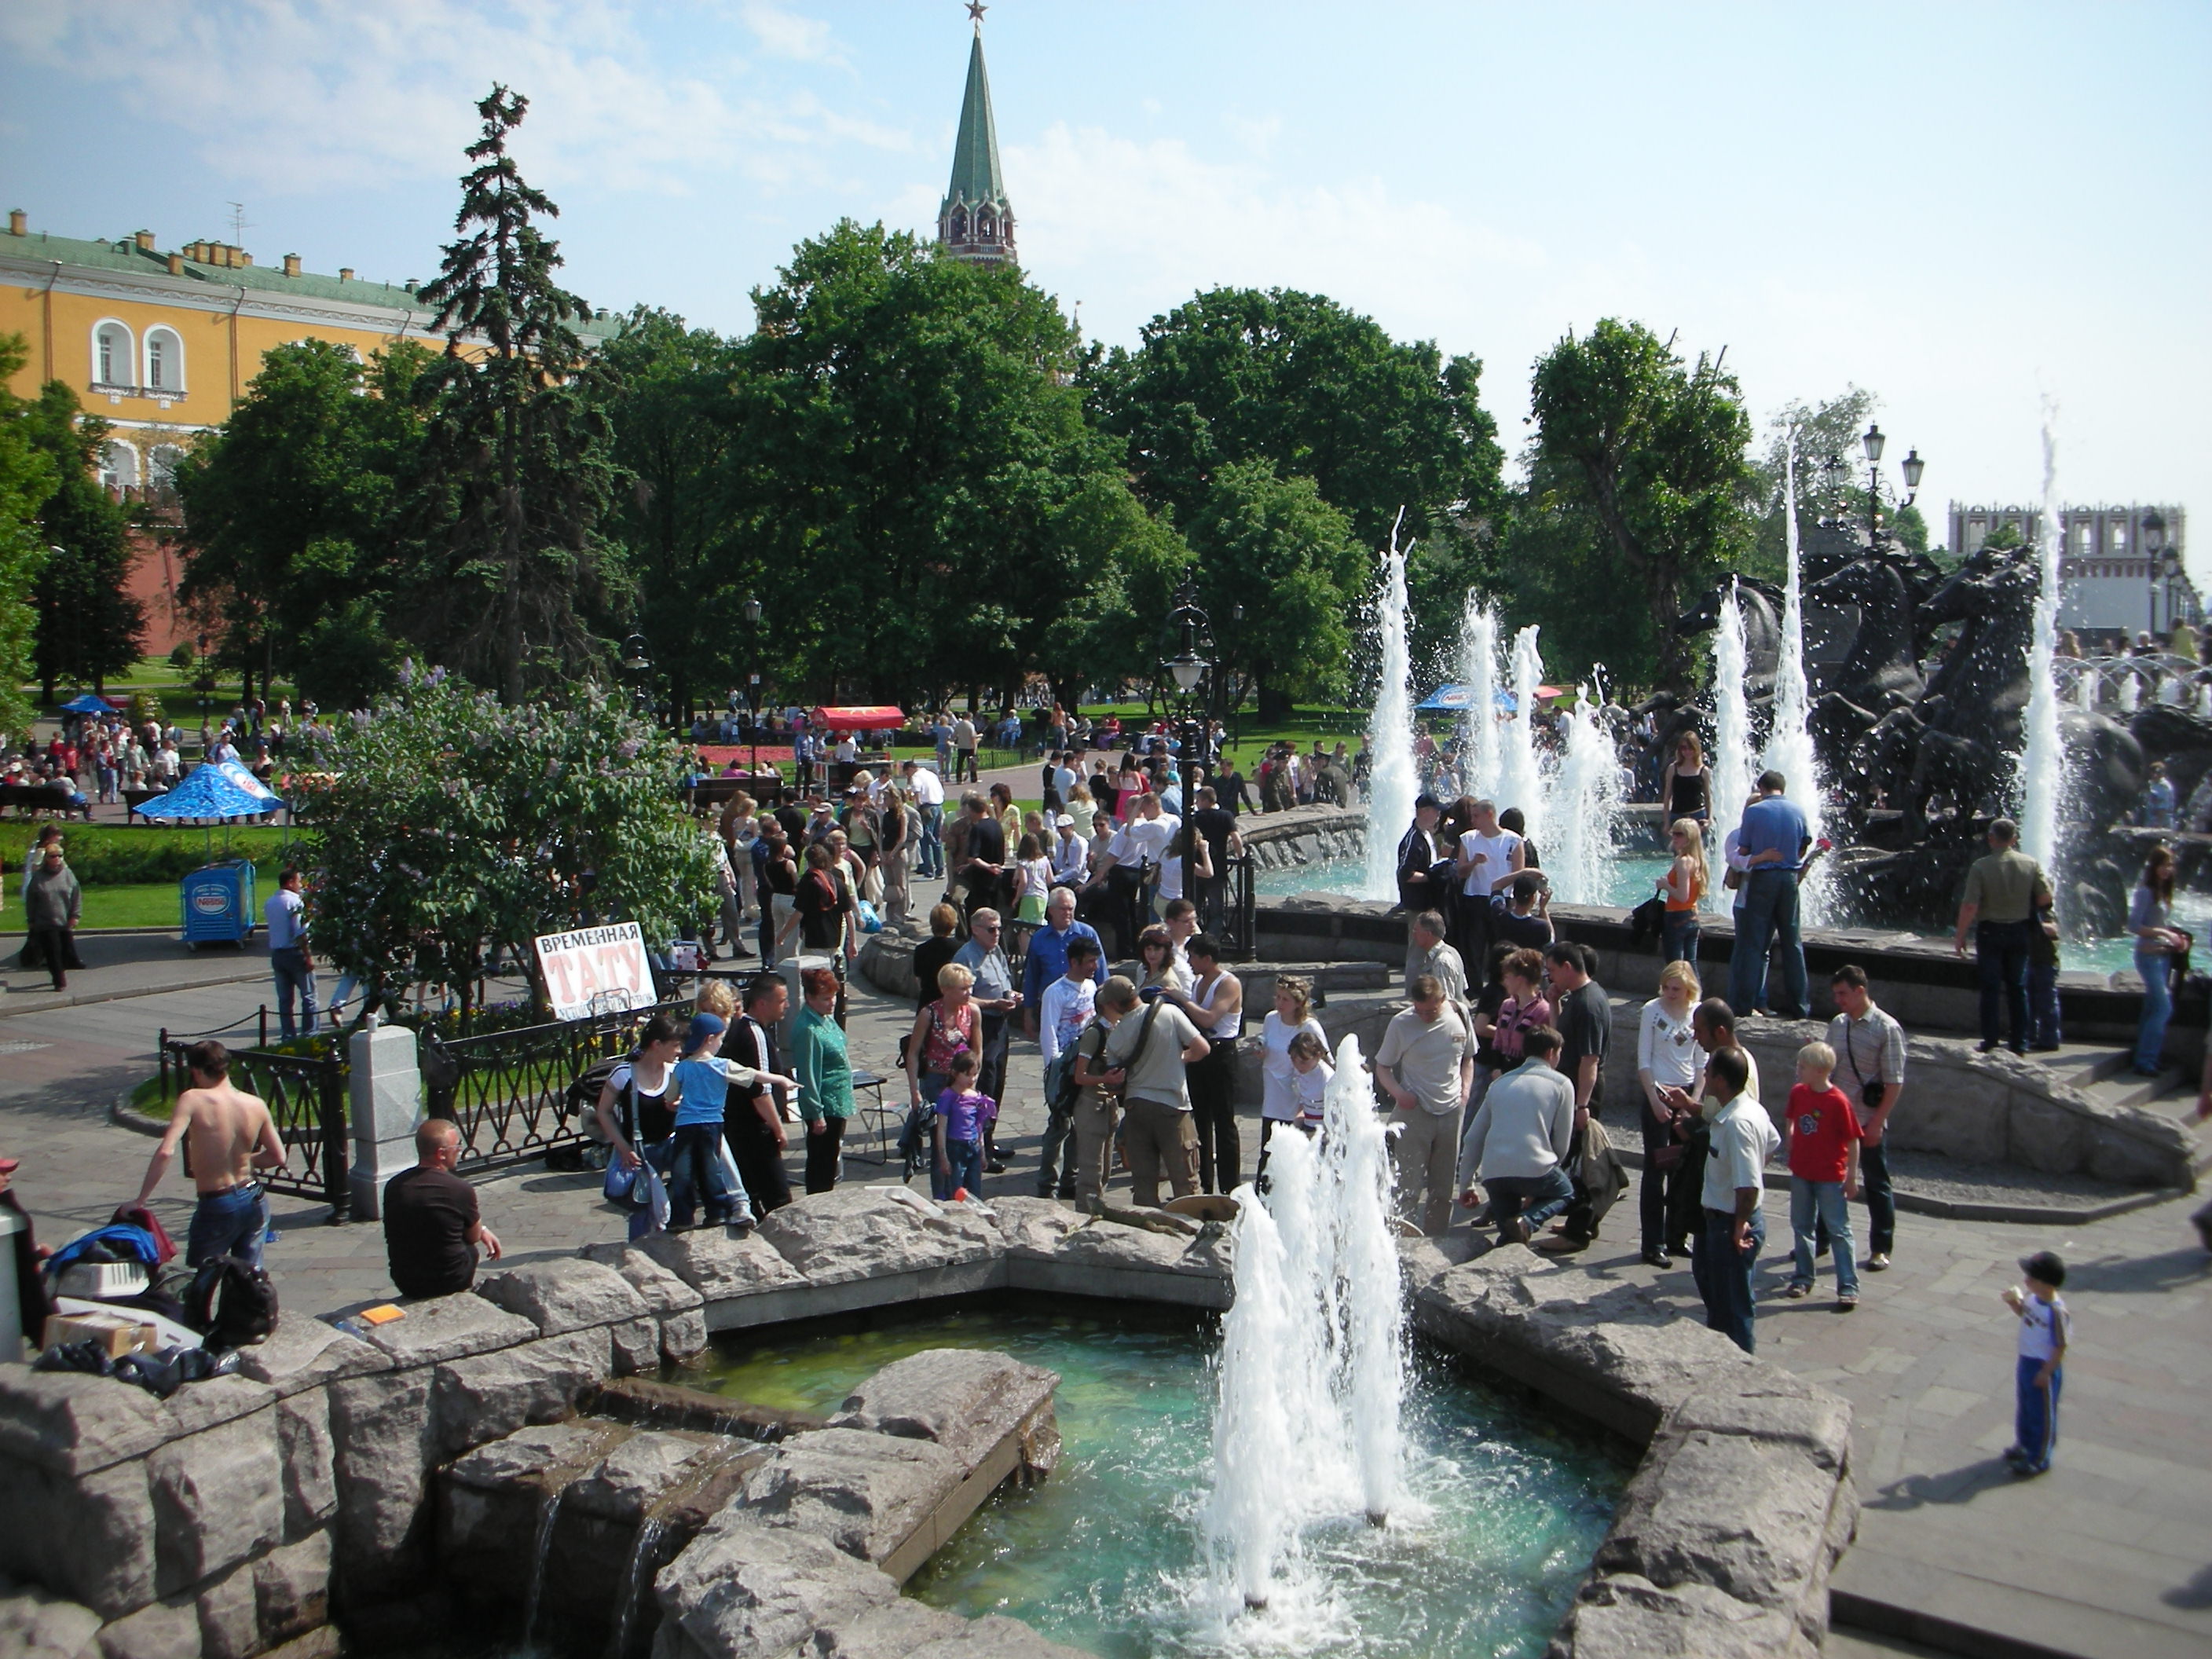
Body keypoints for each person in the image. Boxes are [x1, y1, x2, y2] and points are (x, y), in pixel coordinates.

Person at [135, 1040, 286, 1268]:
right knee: (248, 1280)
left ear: (195, 1071)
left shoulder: (193, 1099)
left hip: (217, 1201)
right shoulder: (255, 1104)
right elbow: (278, 1157)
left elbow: (166, 1151)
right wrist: (246, 1161)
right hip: (253, 1196)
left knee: (202, 1276)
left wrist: (141, 1200)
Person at [667, 1014, 792, 1232]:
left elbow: (670, 1097)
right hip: (712, 1124)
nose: (720, 1045)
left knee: (682, 1170)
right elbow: (753, 1075)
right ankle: (717, 1212)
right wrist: (780, 1079)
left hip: (686, 1125)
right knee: (710, 1169)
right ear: (710, 1039)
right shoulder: (721, 1066)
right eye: (720, 1040)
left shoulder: (683, 1068)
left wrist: (680, 1102)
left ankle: (682, 1216)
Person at [1691, 1046, 1778, 1354]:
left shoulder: (1738, 1123)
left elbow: (1748, 1185)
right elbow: (1773, 1142)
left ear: (1721, 1081)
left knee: (1734, 1306)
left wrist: (1739, 1225)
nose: (1704, 1075)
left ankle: (1741, 1365)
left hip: (1730, 1224)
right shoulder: (1751, 1109)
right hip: (1717, 1219)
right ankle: (1719, 1355)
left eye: (1709, 1071)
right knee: (1715, 1292)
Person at [1456, 1025, 1577, 1247]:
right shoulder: (1561, 1084)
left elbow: (1473, 1138)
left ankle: (1508, 1244)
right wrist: (1551, 1167)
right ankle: (1528, 1221)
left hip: (1495, 1174)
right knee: (1565, 1192)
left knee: (1510, 1237)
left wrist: (1467, 1185)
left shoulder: (1499, 1084)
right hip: (1536, 1168)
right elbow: (1562, 1142)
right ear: (1551, 1053)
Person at [1375, 973, 1474, 1238]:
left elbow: (1468, 1058)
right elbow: (1382, 1066)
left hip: (1452, 1109)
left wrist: (1465, 1092)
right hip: (1415, 1109)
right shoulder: (1402, 1023)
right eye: (1419, 1011)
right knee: (1408, 1185)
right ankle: (1400, 1242)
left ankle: (1435, 1238)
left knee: (1443, 1188)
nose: (1425, 1016)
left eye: (1431, 1010)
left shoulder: (1460, 1014)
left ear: (1442, 999)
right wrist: (1397, 1092)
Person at [1098, 972, 1209, 1207]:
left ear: (1114, 1004)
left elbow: (1116, 1081)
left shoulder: (1116, 1037)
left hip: (1137, 1109)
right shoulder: (1169, 1013)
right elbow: (1202, 1049)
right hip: (1173, 1108)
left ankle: (1147, 1238)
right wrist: (1181, 1057)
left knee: (1144, 1185)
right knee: (1186, 1183)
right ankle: (1194, 1235)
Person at [1826, 965, 1904, 1271]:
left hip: (1866, 1117)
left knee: (1876, 1183)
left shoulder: (1887, 1028)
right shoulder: (1838, 1023)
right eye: (1835, 995)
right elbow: (1828, 1066)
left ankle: (1880, 1248)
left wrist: (1877, 1122)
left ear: (1861, 991)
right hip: (1836, 1118)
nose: (1838, 1000)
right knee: (1826, 1180)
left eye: (1843, 994)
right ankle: (1819, 1241)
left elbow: (1894, 1081)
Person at [1954, 818, 2051, 1055]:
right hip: (2020, 932)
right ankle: (2020, 1043)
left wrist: (1960, 936)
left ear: (1991, 838)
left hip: (1990, 932)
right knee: (2018, 988)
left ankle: (1990, 1040)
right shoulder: (2030, 863)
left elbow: (1970, 906)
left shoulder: (1981, 866)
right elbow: (2045, 898)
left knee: (1990, 988)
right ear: (2015, 839)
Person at [1536, 943, 1611, 1253]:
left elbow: (1589, 1060)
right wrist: (1554, 1005)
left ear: (1568, 967)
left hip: (1583, 1092)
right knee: (1574, 1157)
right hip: (1574, 1087)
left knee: (1579, 1162)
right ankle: (1582, 1223)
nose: (1550, 978)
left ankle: (1577, 1233)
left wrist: (1582, 1105)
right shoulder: (1576, 1000)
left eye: (1552, 971)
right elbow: (1561, 1042)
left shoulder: (1589, 1003)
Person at [1635, 961, 1707, 1268]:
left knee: (1684, 1169)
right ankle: (1653, 1242)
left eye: (1676, 989)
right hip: (1658, 1091)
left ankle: (1677, 1234)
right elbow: (1644, 1059)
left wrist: (1693, 1102)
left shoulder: (1696, 1012)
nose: (1669, 993)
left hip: (1686, 1090)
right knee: (1656, 1168)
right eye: (1666, 987)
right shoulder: (1653, 1010)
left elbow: (1702, 1061)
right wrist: (1654, 1099)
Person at [1780, 1040, 1862, 1309]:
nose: (1798, 1070)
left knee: (1838, 1229)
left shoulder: (1838, 1101)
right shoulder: (1798, 1093)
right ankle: (1803, 1276)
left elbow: (1852, 1140)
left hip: (1830, 1175)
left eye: (1803, 1066)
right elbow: (1790, 1118)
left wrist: (1851, 1177)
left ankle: (1848, 1284)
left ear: (1819, 1070)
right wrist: (1790, 1139)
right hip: (1802, 1171)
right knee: (1802, 1226)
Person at [382, 1119, 503, 1298]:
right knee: (469, 1246)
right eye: (457, 1145)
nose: (460, 1150)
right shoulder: (459, 1189)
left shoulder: (394, 1186)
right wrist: (482, 1230)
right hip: (449, 1280)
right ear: (441, 1154)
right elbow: (473, 1236)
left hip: (405, 1280)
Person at [1728, 771, 1811, 1019]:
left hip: (1763, 879)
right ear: (1782, 788)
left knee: (1755, 944)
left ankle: (1744, 1005)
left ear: (1761, 788)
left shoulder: (1754, 811)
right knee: (1792, 942)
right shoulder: (1798, 810)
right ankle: (1800, 1006)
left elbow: (1744, 849)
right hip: (1789, 879)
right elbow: (1804, 845)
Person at [1165, 936, 1243, 1193]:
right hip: (1201, 1054)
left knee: (1224, 1121)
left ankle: (1230, 1187)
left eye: (1193, 957)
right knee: (1201, 1121)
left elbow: (1210, 1019)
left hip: (1222, 1054)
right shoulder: (1199, 982)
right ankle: (1205, 1185)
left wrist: (1182, 999)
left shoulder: (1228, 983)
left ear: (1207, 959)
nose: (1189, 962)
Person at [954, 909, 1021, 1173]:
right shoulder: (965, 957)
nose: (997, 934)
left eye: (999, 929)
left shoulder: (996, 951)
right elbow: (960, 996)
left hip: (1001, 1024)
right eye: (991, 929)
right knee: (984, 1082)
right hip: (981, 1025)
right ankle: (978, 1147)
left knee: (998, 1083)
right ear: (975, 929)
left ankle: (990, 1141)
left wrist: (1012, 995)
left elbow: (1005, 981)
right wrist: (992, 1003)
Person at [1036, 936, 1104, 1199]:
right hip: (1063, 1067)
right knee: (1059, 1126)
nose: (1094, 966)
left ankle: (1070, 1179)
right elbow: (1049, 1031)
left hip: (1084, 1065)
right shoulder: (1056, 992)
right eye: (1089, 961)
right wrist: (1052, 1068)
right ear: (1074, 962)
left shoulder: (1091, 986)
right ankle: (1047, 1182)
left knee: (1080, 1125)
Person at [726, 976, 794, 1215]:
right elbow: (760, 1091)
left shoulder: (739, 1028)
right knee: (778, 1199)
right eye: (782, 1001)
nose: (787, 1005)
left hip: (739, 1128)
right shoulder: (753, 1033)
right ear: (763, 1003)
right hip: (755, 1129)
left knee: (752, 1194)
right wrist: (778, 1128)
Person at [2002, 1251, 2070, 1477]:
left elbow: (2060, 1345)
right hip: (2026, 1360)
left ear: (2046, 1284)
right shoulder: (2033, 1299)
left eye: (2031, 1278)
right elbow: (2026, 1315)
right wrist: (2015, 1305)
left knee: (2042, 1413)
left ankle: (2039, 1458)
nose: (2026, 1281)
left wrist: (2047, 1371)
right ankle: (2024, 1444)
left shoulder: (2056, 1311)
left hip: (2042, 1366)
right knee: (2026, 1406)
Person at [594, 1011, 685, 1174]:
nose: (679, 1051)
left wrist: (681, 1105)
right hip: (638, 1151)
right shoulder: (624, 1074)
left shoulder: (675, 1071)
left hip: (671, 1145)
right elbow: (604, 1111)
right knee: (644, 1197)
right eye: (675, 1045)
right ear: (657, 1044)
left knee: (681, 1193)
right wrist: (623, 1147)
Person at [790, 968, 852, 1195]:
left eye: (833, 996)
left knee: (830, 1157)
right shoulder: (809, 1029)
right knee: (821, 1161)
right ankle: (817, 1201)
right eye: (825, 998)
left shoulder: (824, 1019)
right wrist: (816, 1113)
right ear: (809, 998)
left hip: (837, 1100)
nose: (832, 1002)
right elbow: (808, 1074)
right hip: (824, 1104)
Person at [2128, 844, 2187, 1077]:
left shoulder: (2163, 891)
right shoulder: (2145, 892)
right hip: (2148, 956)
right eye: (2163, 865)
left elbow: (2158, 923)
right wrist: (2163, 933)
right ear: (2153, 866)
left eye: (2170, 865)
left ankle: (2146, 1056)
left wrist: (2176, 936)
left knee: (2152, 1007)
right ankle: (2146, 1060)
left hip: (2163, 956)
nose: (2167, 870)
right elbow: (2133, 926)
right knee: (2164, 1007)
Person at [907, 961, 982, 1143]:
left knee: (963, 1133)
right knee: (939, 1136)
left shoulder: (972, 1012)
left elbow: (977, 1051)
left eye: (970, 987)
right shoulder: (929, 1014)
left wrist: (973, 1079)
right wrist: (914, 1091)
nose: (969, 993)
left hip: (962, 1081)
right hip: (936, 1080)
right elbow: (913, 1053)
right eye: (963, 989)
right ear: (946, 989)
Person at [1258, 977, 1328, 1166]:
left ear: (1299, 1003)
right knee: (1269, 1151)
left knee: (1294, 1155)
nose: (1279, 1003)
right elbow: (1266, 1042)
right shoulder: (1271, 1019)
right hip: (1273, 1089)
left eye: (1285, 999)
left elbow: (1325, 1058)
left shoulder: (1309, 1026)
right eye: (1278, 997)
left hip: (1297, 1094)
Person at [1020, 886, 1104, 1026]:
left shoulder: (1088, 934)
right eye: (1063, 909)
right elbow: (1032, 976)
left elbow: (1101, 973)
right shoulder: (1039, 938)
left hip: (1083, 1007)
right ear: (1051, 910)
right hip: (1051, 1006)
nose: (1067, 913)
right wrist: (1028, 1012)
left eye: (1070, 909)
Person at [264, 866, 317, 1040]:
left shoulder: (270, 902)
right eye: (299, 881)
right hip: (295, 954)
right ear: (290, 882)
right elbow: (299, 932)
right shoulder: (295, 902)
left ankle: (288, 1034)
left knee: (285, 1000)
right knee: (308, 996)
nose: (301, 885)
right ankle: (310, 1033)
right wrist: (308, 956)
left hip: (277, 954)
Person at [21, 843, 82, 992]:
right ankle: (59, 981)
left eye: (59, 856)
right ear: (46, 858)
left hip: (64, 920)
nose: (57, 859)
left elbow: (76, 896)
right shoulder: (38, 877)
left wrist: (75, 915)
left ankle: (60, 971)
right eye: (53, 856)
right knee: (52, 952)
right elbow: (31, 901)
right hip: (45, 921)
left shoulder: (68, 875)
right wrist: (31, 920)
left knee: (64, 952)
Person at [932, 1051, 993, 1199]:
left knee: (975, 1192)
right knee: (956, 1192)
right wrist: (943, 1157)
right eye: (967, 1075)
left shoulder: (976, 1097)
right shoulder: (948, 1096)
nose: (972, 1079)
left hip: (973, 1147)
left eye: (975, 1074)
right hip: (955, 1148)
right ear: (955, 1073)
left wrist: (983, 1152)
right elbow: (941, 1128)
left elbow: (979, 1126)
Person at [1656, 819, 1707, 967]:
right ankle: (1696, 991)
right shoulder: (1697, 861)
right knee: (1690, 965)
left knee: (1675, 966)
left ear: (1689, 838)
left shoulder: (1683, 861)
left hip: (1676, 916)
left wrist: (1665, 885)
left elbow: (1683, 896)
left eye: (1679, 834)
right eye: (1673, 833)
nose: (1674, 837)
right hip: (1691, 916)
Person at [1404, 910, 1468, 1009]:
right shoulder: (1452, 951)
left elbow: (1445, 1003)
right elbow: (1463, 986)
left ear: (1428, 935)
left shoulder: (1441, 961)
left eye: (1416, 930)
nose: (1413, 934)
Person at [1395, 794, 1447, 913]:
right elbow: (1405, 874)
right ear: (1424, 812)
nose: (1439, 815)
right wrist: (1432, 877)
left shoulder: (1428, 834)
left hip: (1430, 902)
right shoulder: (1413, 840)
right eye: (1436, 811)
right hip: (1417, 906)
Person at [913, 903, 962, 1013]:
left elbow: (918, 980)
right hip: (952, 1003)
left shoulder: (921, 949)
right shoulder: (960, 948)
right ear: (953, 923)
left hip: (927, 1002)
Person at [1489, 870, 1553, 955]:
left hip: (1504, 966)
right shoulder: (1541, 927)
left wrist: (1524, 872)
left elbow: (1496, 885)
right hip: (1529, 967)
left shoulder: (1500, 915)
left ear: (1514, 894)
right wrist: (1543, 909)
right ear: (1533, 897)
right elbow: (1551, 940)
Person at [903, 760, 947, 880]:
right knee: (936, 839)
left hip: (926, 808)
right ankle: (940, 869)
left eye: (907, 774)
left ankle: (929, 871)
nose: (908, 776)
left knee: (925, 839)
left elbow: (916, 791)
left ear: (910, 769)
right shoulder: (931, 775)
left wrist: (918, 807)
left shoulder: (916, 777)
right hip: (938, 805)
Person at [1661, 732, 1712, 827]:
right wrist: (1666, 822)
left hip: (1698, 816)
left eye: (1691, 748)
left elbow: (1707, 797)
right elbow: (1667, 797)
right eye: (1684, 748)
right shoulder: (1673, 769)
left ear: (1696, 748)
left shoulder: (1703, 770)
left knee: (1698, 843)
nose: (1687, 751)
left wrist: (1709, 819)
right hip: (1677, 816)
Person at [2138, 760, 2177, 830]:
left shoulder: (2164, 787)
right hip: (2149, 821)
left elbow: (2163, 807)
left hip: (2162, 823)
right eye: (2153, 772)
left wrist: (2158, 824)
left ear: (2163, 773)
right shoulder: (2150, 784)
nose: (2155, 775)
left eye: (2158, 773)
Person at [952, 712, 979, 783]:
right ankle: (973, 778)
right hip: (970, 746)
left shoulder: (958, 725)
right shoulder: (971, 725)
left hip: (961, 746)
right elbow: (973, 737)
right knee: (972, 763)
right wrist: (975, 747)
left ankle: (959, 779)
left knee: (960, 763)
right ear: (970, 717)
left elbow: (954, 735)